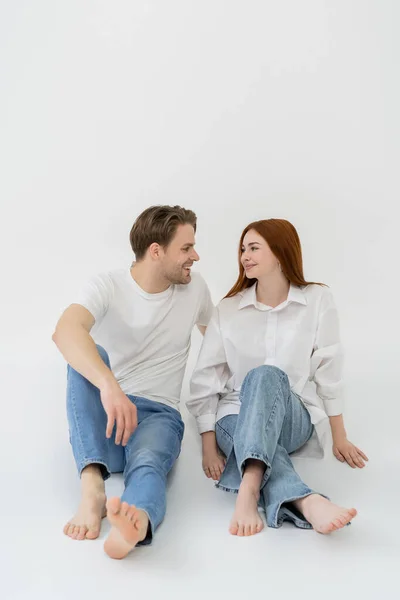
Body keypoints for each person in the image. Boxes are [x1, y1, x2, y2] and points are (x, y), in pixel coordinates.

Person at [187, 218, 368, 537]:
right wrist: (208, 446)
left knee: (266, 375)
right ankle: (308, 502)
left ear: (281, 252)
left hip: (292, 416)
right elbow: (206, 380)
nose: (244, 256)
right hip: (235, 418)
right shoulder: (227, 309)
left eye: (254, 248)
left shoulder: (317, 300)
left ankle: (248, 486)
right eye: (242, 249)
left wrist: (339, 437)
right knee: (254, 409)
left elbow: (329, 370)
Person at [53, 205, 213, 559]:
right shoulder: (108, 285)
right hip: (108, 420)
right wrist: (110, 387)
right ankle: (92, 484)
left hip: (158, 416)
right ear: (156, 251)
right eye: (186, 248)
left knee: (148, 462)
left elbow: (220, 348)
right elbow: (64, 331)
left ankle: (135, 522)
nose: (195, 257)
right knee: (86, 351)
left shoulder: (195, 289)